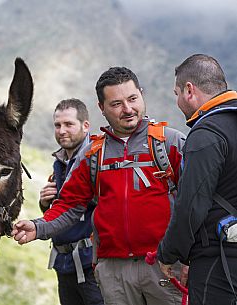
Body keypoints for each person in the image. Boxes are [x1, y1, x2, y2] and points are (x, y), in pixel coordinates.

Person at [12, 66, 186, 305]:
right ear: (101, 108)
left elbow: (196, 201)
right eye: (116, 104)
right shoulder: (94, 154)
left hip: (164, 266)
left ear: (142, 95)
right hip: (113, 272)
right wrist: (37, 226)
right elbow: (69, 204)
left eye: (132, 99)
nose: (127, 109)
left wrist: (188, 258)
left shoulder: (170, 143)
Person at [157, 54, 237, 305]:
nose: (178, 101)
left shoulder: (207, 134)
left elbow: (190, 206)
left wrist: (169, 254)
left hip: (219, 263)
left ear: (189, 90)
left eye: (177, 93)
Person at [39, 98, 103, 305]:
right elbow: (62, 211)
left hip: (93, 264)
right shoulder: (59, 163)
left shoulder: (96, 158)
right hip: (64, 264)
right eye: (57, 125)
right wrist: (45, 203)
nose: (62, 131)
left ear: (85, 126)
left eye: (69, 124)